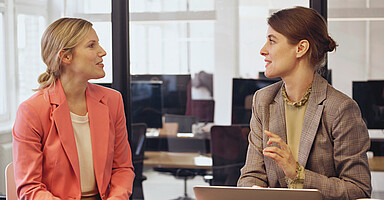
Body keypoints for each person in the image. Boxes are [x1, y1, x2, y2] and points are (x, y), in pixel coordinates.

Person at [237, 6, 371, 200]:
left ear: (300, 48)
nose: (263, 50)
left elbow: (358, 189)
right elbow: (251, 175)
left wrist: (298, 174)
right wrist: (253, 190)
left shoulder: (340, 108)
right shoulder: (263, 101)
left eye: (272, 41)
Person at [12, 18, 135, 199]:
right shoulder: (31, 111)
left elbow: (122, 168)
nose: (103, 52)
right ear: (66, 56)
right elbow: (30, 188)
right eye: (92, 45)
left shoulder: (112, 100)